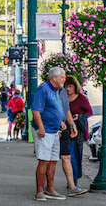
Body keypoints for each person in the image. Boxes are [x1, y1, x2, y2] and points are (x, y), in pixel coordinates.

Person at [31, 67, 70, 201]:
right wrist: (41, 128)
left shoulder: (55, 90)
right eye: (62, 77)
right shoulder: (43, 89)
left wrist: (60, 122)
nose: (64, 80)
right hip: (45, 131)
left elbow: (53, 109)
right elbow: (36, 110)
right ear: (54, 77)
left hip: (54, 131)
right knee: (44, 160)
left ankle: (50, 189)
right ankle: (39, 191)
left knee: (53, 160)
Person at [65, 75, 92, 189]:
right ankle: (72, 181)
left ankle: (74, 181)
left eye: (70, 86)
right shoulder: (63, 98)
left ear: (75, 87)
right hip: (66, 131)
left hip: (78, 133)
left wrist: (79, 116)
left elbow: (89, 112)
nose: (68, 89)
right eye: (66, 86)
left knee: (74, 157)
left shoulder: (81, 98)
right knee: (68, 157)